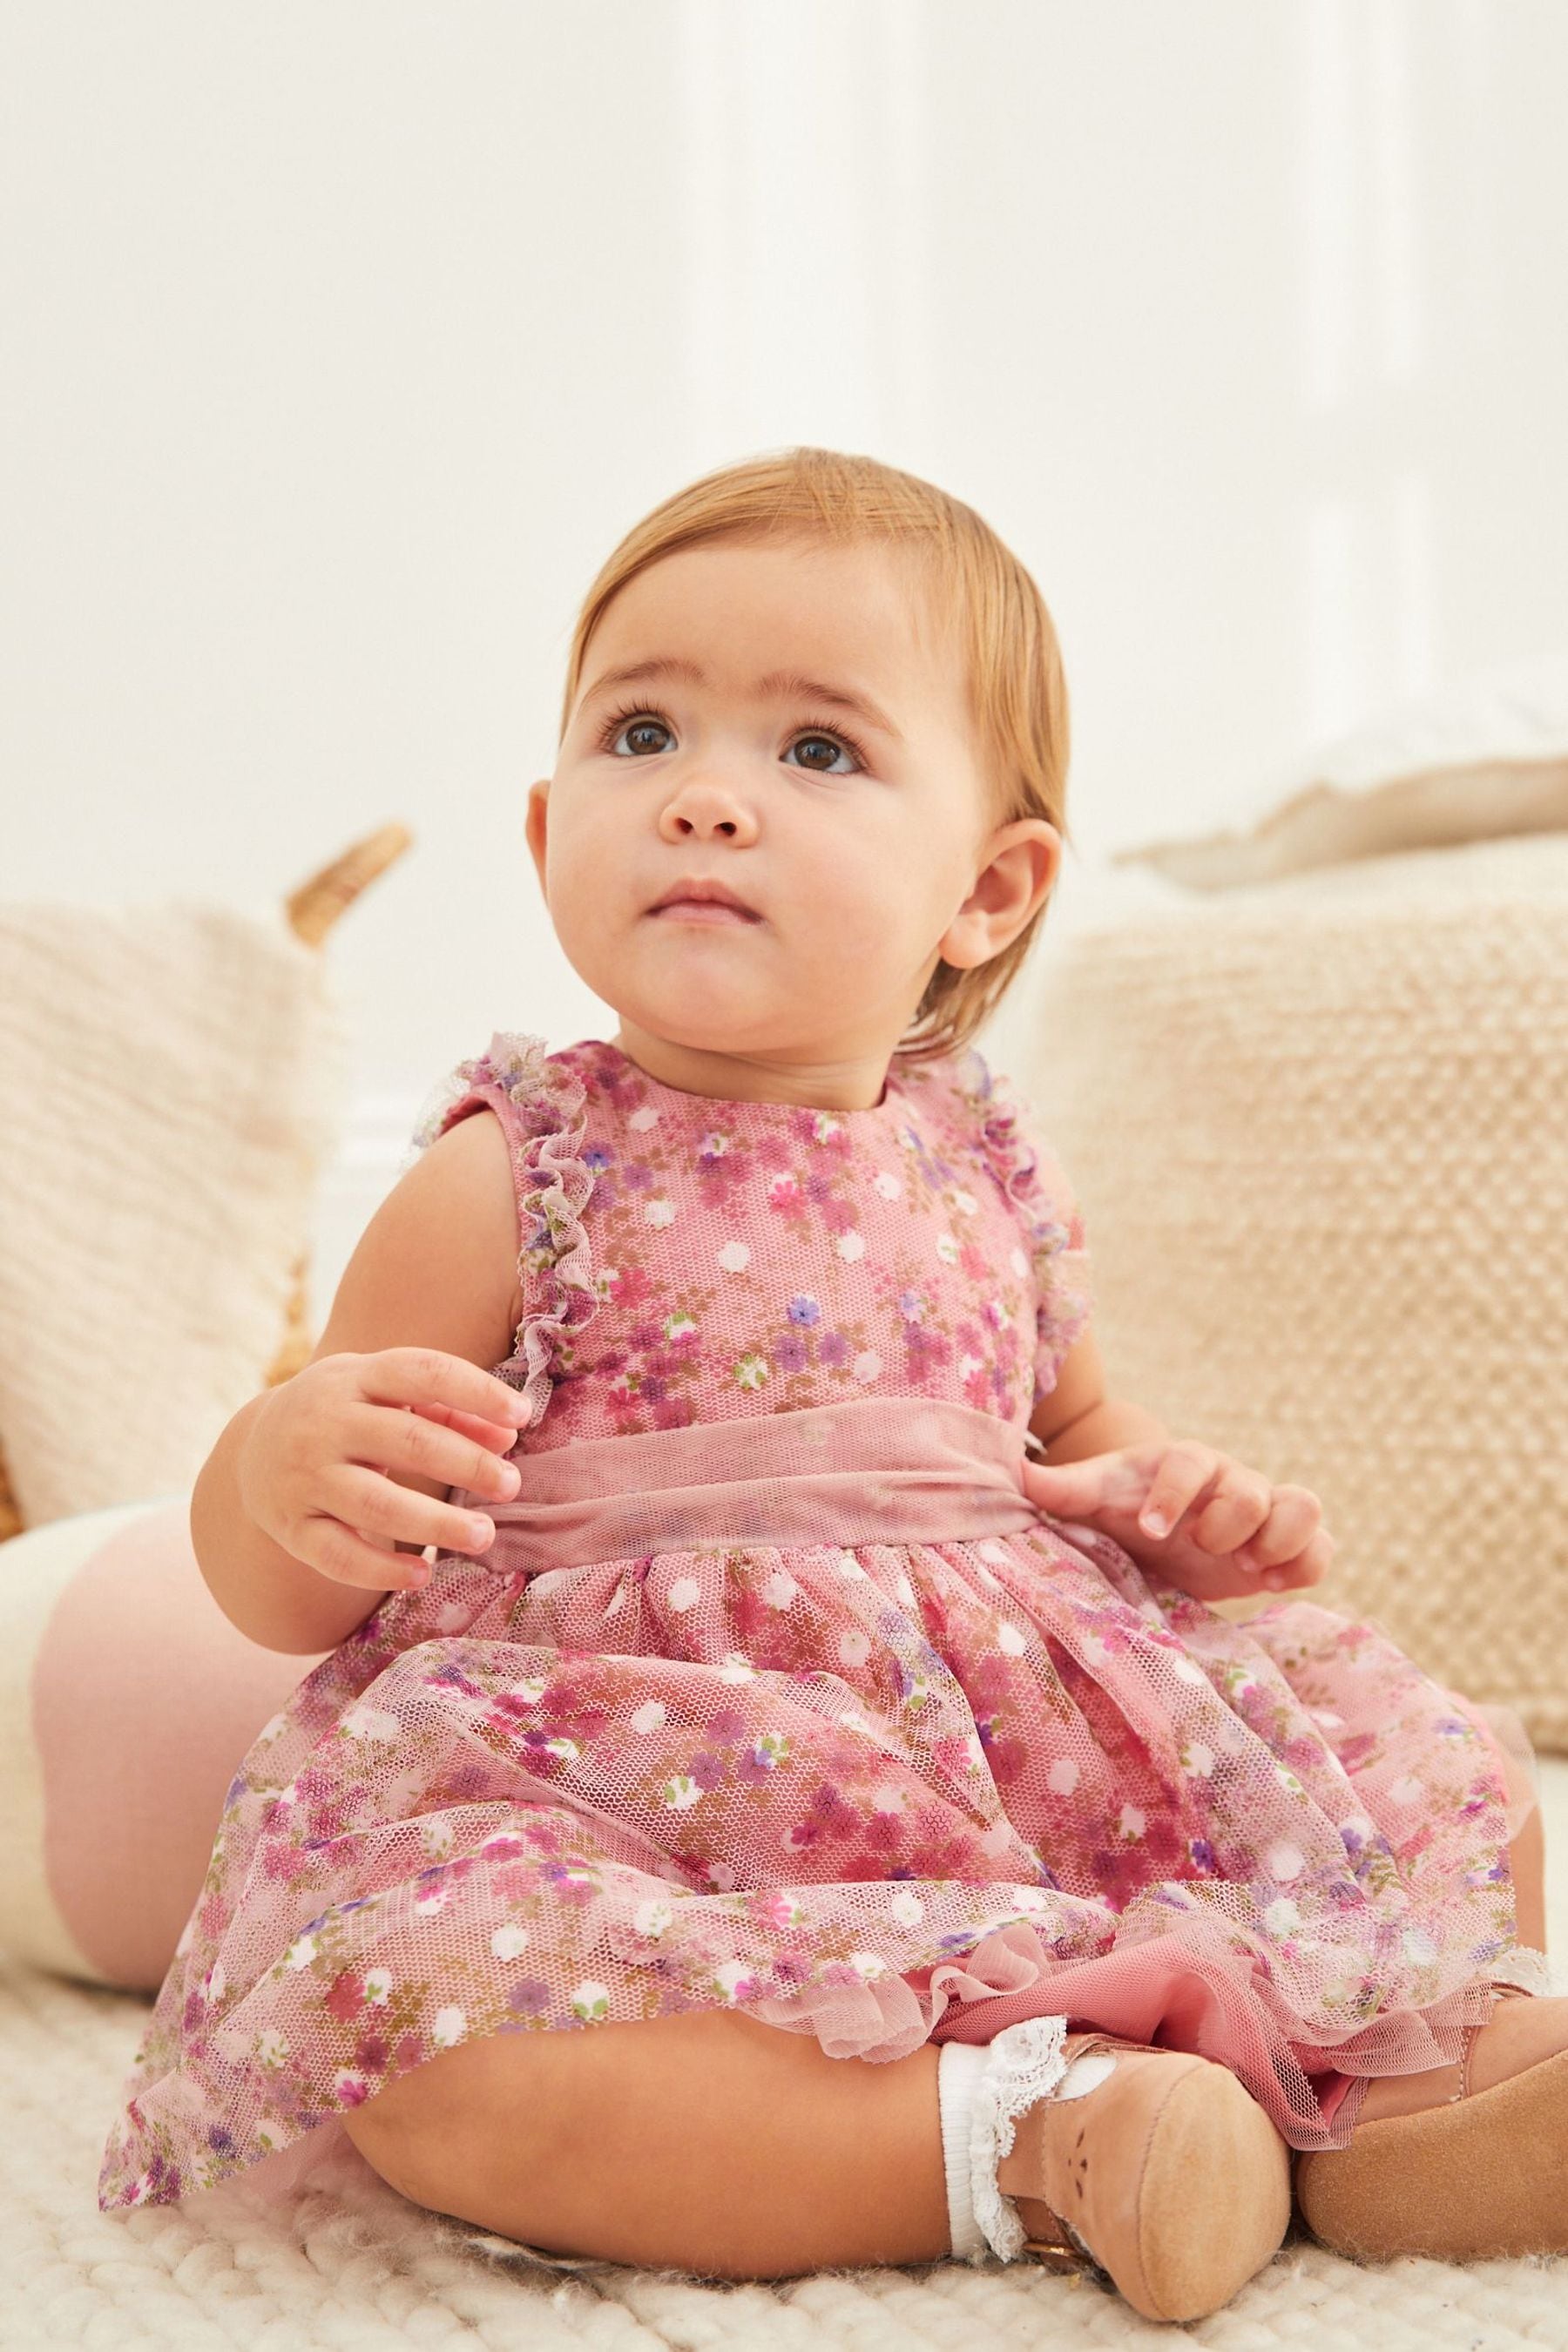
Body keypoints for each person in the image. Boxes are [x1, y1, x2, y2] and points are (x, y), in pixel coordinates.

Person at [98, 448, 1565, 2322]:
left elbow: (1082, 1448)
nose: (706, 799)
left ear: (990, 888)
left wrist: (1179, 1514)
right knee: (441, 2043)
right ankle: (1043, 2134)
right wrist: (274, 1472)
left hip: (1018, 1746)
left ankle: (1389, 2096)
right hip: (647, 1786)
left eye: (814, 753)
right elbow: (310, 1583)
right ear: (548, 837)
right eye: (644, 733)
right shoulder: (509, 1167)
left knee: (1427, 1767)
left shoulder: (994, 1167)